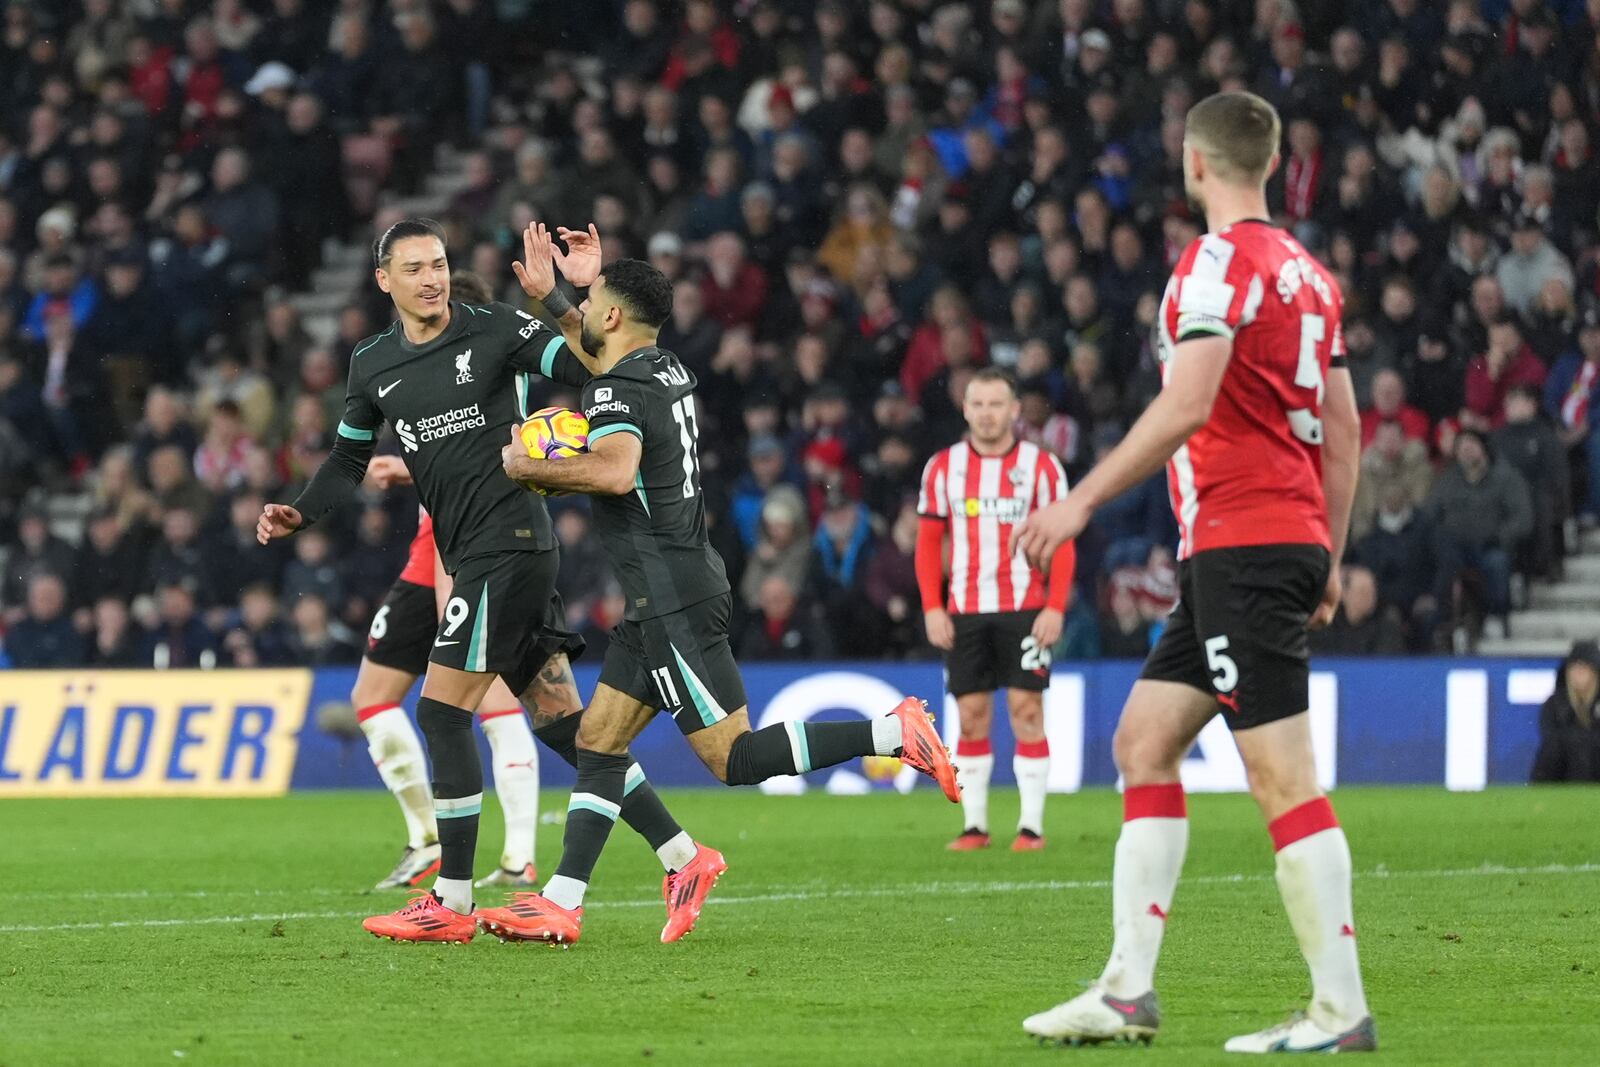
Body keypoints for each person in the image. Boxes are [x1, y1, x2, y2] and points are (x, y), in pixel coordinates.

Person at [1012, 92, 1375, 1053]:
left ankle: (1341, 1010)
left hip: (1244, 542)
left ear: (1194, 163)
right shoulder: (1309, 273)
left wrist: (1078, 501)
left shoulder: (1214, 265)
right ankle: (1127, 989)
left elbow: (1188, 403)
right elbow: (1343, 429)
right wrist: (1330, 552)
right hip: (1264, 540)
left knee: (1281, 777)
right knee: (1143, 742)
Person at [486, 240, 957, 947]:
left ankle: (893, 732)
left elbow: (614, 472)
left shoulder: (618, 387)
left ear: (612, 316)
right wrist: (561, 297)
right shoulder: (659, 366)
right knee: (597, 739)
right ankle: (589, 891)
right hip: (664, 592)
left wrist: (535, 467)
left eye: (589, 304)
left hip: (672, 594)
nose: (579, 312)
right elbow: (599, 361)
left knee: (733, 758)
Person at [256, 218, 706, 945]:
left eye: (439, 262)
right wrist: (299, 514)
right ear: (384, 281)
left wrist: (564, 294)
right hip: (475, 554)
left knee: (439, 714)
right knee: (566, 726)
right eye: (415, 268)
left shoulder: (498, 328)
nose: (432, 277)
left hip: (513, 545)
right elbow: (346, 462)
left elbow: (595, 362)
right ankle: (684, 854)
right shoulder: (372, 362)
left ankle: (452, 899)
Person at [916, 366, 1075, 852]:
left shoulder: (1042, 467)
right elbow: (928, 542)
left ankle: (1031, 828)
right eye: (978, 404)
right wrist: (932, 606)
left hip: (1026, 607)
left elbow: (1063, 542)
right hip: (964, 609)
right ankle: (975, 827)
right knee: (971, 716)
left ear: (1013, 410)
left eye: (996, 405)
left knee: (1027, 709)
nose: (986, 414)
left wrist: (1055, 605)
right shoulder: (942, 468)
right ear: (966, 409)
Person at [1530, 639, 1600, 783]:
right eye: (1574, 668)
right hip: (1564, 771)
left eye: (1584, 668)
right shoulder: (1555, 705)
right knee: (1554, 748)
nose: (1578, 673)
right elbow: (1550, 740)